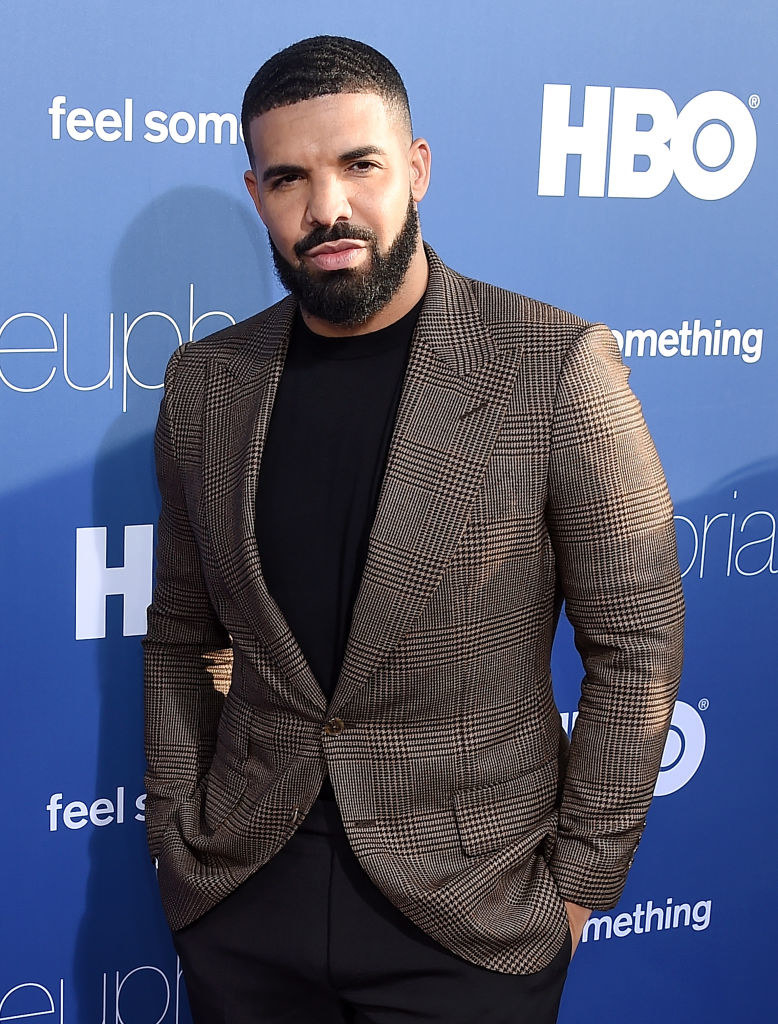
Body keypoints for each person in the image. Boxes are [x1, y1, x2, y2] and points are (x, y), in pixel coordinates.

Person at [143, 35, 685, 1024]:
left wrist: (573, 893)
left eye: (359, 165)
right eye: (287, 178)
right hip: (244, 897)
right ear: (256, 193)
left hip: (470, 918)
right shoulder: (207, 383)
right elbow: (184, 627)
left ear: (417, 168)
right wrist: (178, 834)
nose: (327, 208)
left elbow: (638, 645)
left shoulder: (554, 366)